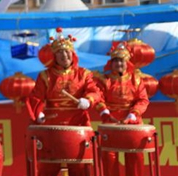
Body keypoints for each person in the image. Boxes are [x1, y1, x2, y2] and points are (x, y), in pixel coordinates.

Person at [27, 28, 102, 176]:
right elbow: (35, 97)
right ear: (55, 56)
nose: (64, 55)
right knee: (49, 166)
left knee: (79, 166)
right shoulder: (46, 76)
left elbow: (95, 91)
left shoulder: (84, 74)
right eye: (60, 52)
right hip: (52, 125)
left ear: (72, 54)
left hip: (77, 123)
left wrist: (88, 100)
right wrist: (38, 113)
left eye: (67, 51)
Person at [95, 42, 150, 176]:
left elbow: (143, 100)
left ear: (127, 63)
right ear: (111, 63)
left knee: (135, 157)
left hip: (132, 122)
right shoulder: (104, 80)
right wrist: (105, 112)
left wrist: (133, 114)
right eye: (116, 61)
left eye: (121, 61)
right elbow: (98, 98)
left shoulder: (136, 80)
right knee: (109, 157)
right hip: (110, 121)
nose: (119, 64)